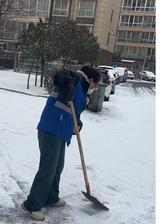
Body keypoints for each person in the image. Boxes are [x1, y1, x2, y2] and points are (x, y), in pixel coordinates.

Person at [22, 66, 101, 221]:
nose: (95, 88)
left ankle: (51, 196)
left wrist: (78, 124)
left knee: (58, 166)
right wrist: (68, 87)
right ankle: (32, 204)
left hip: (61, 132)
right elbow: (60, 75)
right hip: (50, 128)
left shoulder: (82, 93)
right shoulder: (74, 80)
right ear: (91, 80)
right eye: (96, 84)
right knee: (48, 168)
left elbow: (73, 114)